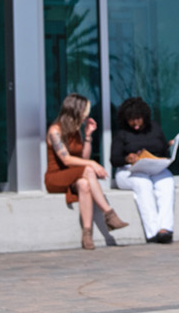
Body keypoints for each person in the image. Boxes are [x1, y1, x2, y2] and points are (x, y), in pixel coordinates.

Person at [45, 92, 127, 249]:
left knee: (84, 184)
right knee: (88, 170)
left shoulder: (76, 131)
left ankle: (87, 234)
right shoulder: (55, 131)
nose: (86, 116)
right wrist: (92, 164)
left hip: (74, 176)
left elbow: (82, 156)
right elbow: (66, 159)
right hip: (56, 178)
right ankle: (109, 214)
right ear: (75, 111)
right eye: (84, 112)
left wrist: (88, 136)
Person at [110, 96, 175, 244]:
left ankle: (165, 229)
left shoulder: (155, 128)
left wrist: (170, 146)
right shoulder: (121, 134)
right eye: (131, 119)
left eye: (138, 118)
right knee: (143, 184)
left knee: (167, 182)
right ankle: (152, 232)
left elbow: (163, 151)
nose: (135, 123)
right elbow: (114, 160)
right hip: (129, 171)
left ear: (144, 116)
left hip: (154, 168)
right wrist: (127, 159)